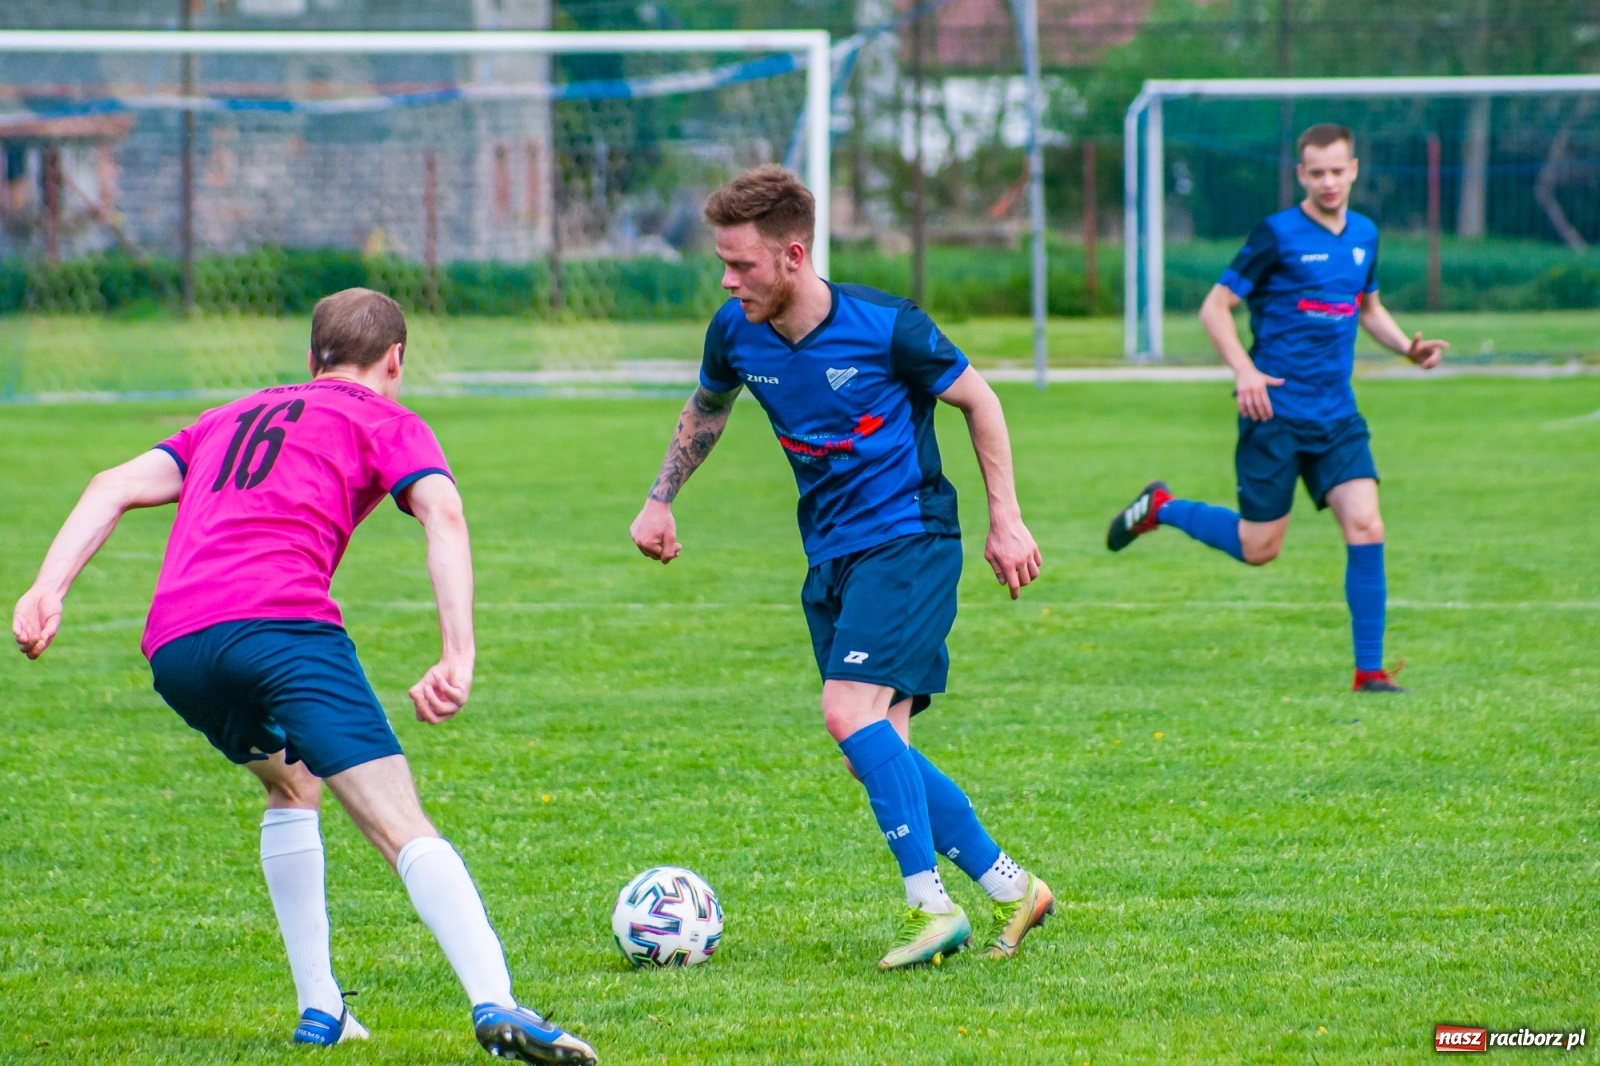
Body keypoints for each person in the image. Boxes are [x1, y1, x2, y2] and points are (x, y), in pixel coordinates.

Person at [12, 288, 597, 1065]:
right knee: (398, 822)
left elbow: (110, 485)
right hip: (283, 629)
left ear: (310, 357)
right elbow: (443, 514)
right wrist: (459, 652)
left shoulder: (227, 415)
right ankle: (498, 1001)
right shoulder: (385, 417)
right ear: (396, 360)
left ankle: (320, 1007)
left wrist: (46, 587)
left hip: (179, 646)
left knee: (293, 785)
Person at [629, 165, 1054, 970]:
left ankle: (930, 906)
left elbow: (981, 401)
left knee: (845, 711)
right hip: (829, 554)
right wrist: (661, 498)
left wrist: (1007, 519)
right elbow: (707, 407)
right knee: (880, 745)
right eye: (722, 262)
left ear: (793, 255)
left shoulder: (887, 327)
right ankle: (1012, 887)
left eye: (743, 264)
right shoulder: (735, 330)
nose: (728, 279)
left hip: (910, 539)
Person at [1105, 123, 1449, 693]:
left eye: (1338, 170)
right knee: (1259, 548)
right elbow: (1216, 308)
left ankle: (1370, 671)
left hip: (1337, 414)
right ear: (1301, 176)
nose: (1329, 182)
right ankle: (1161, 507)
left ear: (1354, 169)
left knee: (1367, 524)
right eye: (1317, 173)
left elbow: (1368, 309)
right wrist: (1245, 370)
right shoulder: (1277, 234)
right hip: (1275, 413)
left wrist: (1408, 349)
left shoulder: (1364, 234)